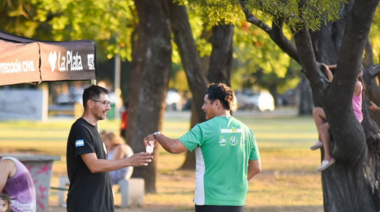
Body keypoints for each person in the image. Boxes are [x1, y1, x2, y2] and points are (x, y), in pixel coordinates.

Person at [144, 83, 261, 212]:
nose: (202, 107)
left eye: (206, 103)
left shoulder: (203, 129)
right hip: (237, 200)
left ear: (217, 103)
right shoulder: (247, 131)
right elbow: (256, 168)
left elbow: (173, 147)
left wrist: (157, 135)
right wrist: (234, 184)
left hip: (209, 200)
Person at [66, 85, 153, 212]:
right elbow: (94, 165)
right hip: (86, 203)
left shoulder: (94, 130)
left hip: (101, 203)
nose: (108, 108)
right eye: (105, 103)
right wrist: (129, 161)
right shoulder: (80, 129)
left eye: (109, 103)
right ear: (90, 104)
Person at [310, 64, 364, 172]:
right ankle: (321, 139)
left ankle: (328, 158)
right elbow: (336, 87)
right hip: (341, 114)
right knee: (316, 111)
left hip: (353, 116)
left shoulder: (357, 84)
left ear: (359, 74)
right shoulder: (347, 83)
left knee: (324, 128)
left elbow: (338, 88)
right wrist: (329, 70)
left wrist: (335, 68)